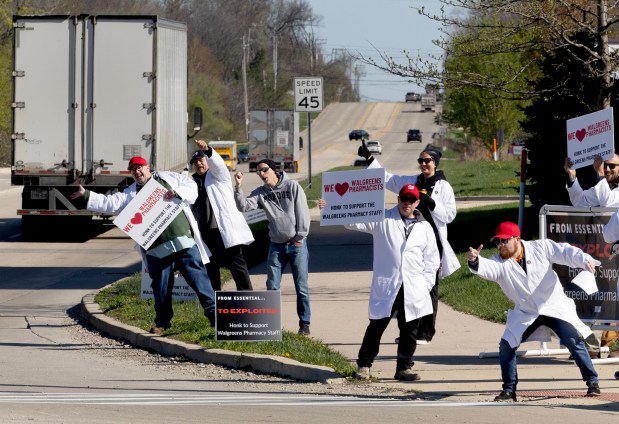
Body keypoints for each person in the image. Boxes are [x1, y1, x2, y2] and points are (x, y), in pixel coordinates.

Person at [70, 156, 216, 334]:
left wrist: (177, 193)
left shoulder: (168, 178)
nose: (137, 172)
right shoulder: (131, 193)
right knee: (161, 288)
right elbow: (111, 203)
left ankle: (215, 316)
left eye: (140, 168)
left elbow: (190, 186)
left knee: (199, 279)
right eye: (133, 170)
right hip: (156, 249)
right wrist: (86, 195)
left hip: (182, 241)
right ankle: (162, 323)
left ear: (148, 168)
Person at [467, 221, 601, 401]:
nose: (500, 245)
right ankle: (509, 390)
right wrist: (475, 261)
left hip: (554, 305)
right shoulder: (499, 262)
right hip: (526, 312)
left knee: (573, 340)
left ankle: (592, 381)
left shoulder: (541, 247)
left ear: (517, 239)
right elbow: (486, 268)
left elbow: (564, 251)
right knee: (506, 345)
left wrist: (584, 259)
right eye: (497, 241)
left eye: (504, 241)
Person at [321, 184, 439, 381]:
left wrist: (425, 285)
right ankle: (364, 365)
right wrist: (331, 207)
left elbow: (432, 260)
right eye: (403, 199)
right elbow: (354, 223)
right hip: (388, 284)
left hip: (413, 286)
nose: (406, 203)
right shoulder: (382, 218)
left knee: (410, 330)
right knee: (376, 327)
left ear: (417, 202)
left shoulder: (425, 227)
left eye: (411, 200)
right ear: (398, 199)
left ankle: (404, 368)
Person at [359, 142, 460, 344]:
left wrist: (431, 203)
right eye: (421, 160)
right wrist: (370, 159)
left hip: (432, 242)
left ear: (435, 163)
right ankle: (410, 333)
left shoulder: (443, 186)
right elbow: (388, 180)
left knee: (429, 287)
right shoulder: (413, 181)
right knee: (409, 288)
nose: (424, 164)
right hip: (411, 240)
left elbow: (449, 215)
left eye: (428, 161)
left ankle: (426, 332)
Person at [233, 159, 312, 335]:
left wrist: (300, 236)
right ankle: (271, 326)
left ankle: (304, 324)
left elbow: (302, 212)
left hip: (296, 246)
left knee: (302, 287)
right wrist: (238, 187)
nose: (261, 174)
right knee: (272, 286)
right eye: (258, 172)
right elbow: (243, 206)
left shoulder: (292, 186)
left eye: (264, 170)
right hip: (276, 246)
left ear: (274, 170)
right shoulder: (261, 193)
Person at [190, 139, 254, 292]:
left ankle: (246, 299)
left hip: (224, 229)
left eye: (202, 160)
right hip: (205, 233)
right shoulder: (191, 182)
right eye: (196, 162)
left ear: (207, 160)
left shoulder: (218, 176)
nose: (199, 164)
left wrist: (207, 149)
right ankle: (216, 302)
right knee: (211, 268)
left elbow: (218, 164)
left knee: (236, 264)